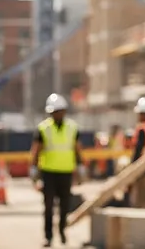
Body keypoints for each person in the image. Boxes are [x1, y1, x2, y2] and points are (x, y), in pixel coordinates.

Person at [29, 93, 85, 247]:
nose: (57, 114)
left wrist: (80, 167)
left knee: (64, 205)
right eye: (54, 112)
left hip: (66, 172)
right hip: (48, 172)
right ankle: (48, 236)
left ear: (64, 111)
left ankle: (62, 231)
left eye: (59, 111)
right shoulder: (43, 128)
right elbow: (36, 150)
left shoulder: (72, 128)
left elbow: (77, 149)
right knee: (48, 206)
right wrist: (34, 169)